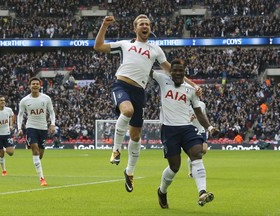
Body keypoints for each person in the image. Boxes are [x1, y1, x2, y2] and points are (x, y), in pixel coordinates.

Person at [93, 14, 201, 193]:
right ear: (135, 28)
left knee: (135, 136)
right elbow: (98, 46)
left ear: (150, 28)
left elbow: (172, 71)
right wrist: (104, 25)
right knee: (127, 111)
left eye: (147, 24)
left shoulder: (156, 50)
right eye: (141, 24)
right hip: (121, 85)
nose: (145, 26)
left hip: (139, 92)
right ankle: (116, 150)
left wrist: (193, 85)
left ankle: (129, 172)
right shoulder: (125, 45)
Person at [151, 59, 218, 208]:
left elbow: (199, 113)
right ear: (170, 71)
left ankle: (202, 192)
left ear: (184, 73)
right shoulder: (162, 80)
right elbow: (146, 68)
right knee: (174, 167)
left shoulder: (190, 90)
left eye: (180, 71)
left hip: (187, 128)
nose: (177, 73)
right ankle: (162, 191)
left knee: (197, 154)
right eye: (174, 70)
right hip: (169, 130)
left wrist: (210, 127)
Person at [17, 77, 56, 186]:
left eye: (36, 84)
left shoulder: (46, 98)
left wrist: (52, 124)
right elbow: (20, 115)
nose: (35, 85)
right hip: (31, 127)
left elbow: (52, 112)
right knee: (35, 150)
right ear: (29, 86)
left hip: (43, 128)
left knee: (40, 154)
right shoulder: (24, 100)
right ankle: (42, 179)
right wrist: (19, 128)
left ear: (40, 86)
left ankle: (36, 162)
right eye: (33, 84)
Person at [0, 95, 15, 176]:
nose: (3, 102)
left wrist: (11, 125)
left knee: (11, 152)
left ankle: (5, 148)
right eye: (1, 100)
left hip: (7, 134)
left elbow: (12, 116)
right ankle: (4, 170)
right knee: (1, 154)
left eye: (4, 100)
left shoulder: (8, 110)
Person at [187, 100, 209, 178]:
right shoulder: (186, 105)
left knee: (204, 150)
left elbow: (204, 116)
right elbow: (184, 120)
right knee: (194, 152)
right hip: (192, 130)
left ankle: (195, 159)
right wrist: (190, 119)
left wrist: (208, 126)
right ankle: (190, 171)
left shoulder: (202, 104)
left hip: (202, 129)